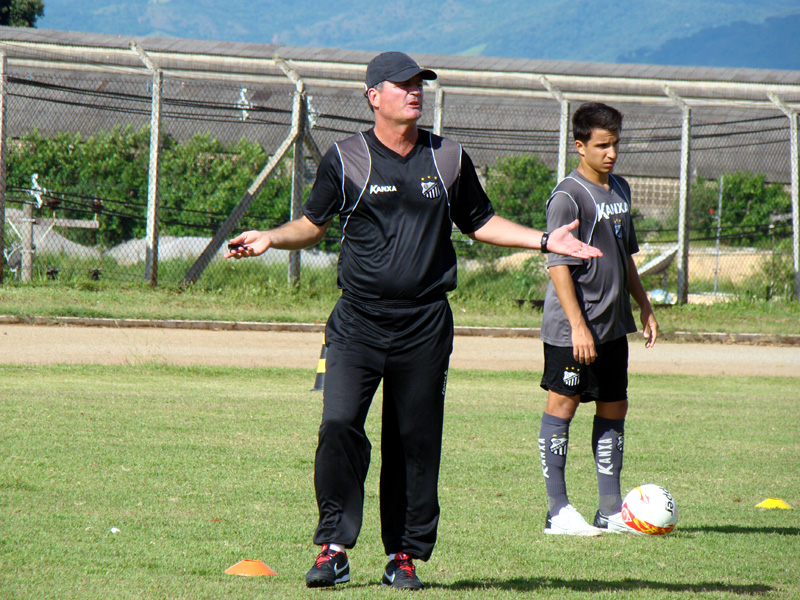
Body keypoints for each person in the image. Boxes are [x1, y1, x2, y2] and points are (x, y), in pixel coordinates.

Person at [226, 51, 601, 589]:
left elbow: (480, 221)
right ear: (374, 96)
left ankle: (402, 556)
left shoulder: (448, 157)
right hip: (356, 322)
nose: (414, 91)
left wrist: (545, 240)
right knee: (337, 424)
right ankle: (334, 548)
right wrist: (270, 237)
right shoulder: (346, 158)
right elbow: (312, 223)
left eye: (419, 83)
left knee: (414, 440)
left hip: (424, 325)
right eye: (402, 85)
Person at [537, 102, 658, 536]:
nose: (611, 153)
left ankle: (609, 510)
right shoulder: (568, 196)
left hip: (612, 325)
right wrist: (578, 326)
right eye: (602, 145)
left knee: (614, 404)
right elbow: (557, 265)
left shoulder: (620, 188)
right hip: (573, 329)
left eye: (615, 144)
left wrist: (644, 305)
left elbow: (625, 255)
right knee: (563, 405)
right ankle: (558, 511)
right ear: (580, 146)